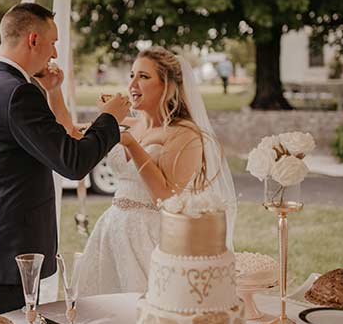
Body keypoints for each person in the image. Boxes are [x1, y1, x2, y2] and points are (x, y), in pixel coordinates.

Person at [0, 3, 130, 313]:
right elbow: (73, 162)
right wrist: (109, 120)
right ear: (33, 40)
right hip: (8, 252)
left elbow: (59, 144)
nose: (53, 54)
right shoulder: (18, 93)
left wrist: (53, 93)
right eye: (52, 43)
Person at [81, 47, 237, 296]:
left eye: (143, 77)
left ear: (167, 86)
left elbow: (165, 198)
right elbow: (71, 132)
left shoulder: (186, 134)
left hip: (150, 241)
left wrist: (131, 143)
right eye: (132, 75)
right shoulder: (133, 123)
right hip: (111, 231)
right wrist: (54, 90)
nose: (132, 84)